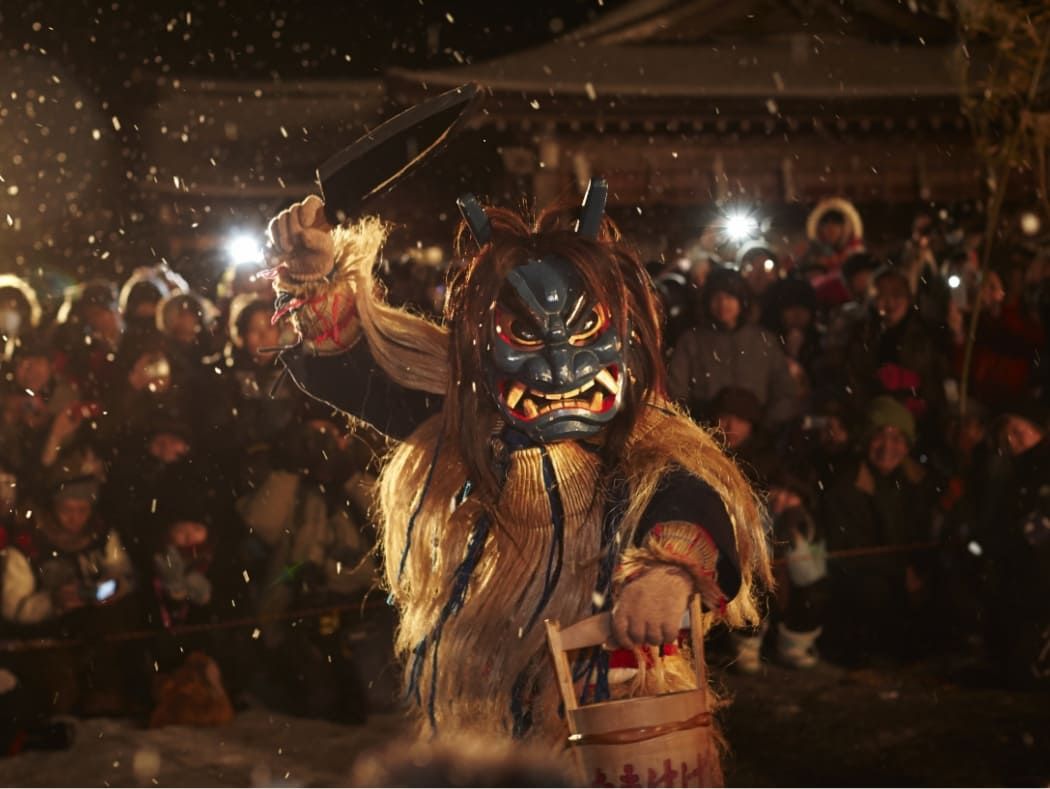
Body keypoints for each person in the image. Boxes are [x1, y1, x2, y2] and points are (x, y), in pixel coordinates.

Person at [264, 181, 771, 758]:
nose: (560, 364)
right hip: (491, 684)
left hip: (619, 695)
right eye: (526, 336)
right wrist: (315, 277)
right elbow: (358, 372)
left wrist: (667, 573)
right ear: (484, 342)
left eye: (583, 333)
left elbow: (686, 490)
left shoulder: (640, 438)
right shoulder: (468, 415)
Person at [821, 397, 935, 663]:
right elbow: (849, 550)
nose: (888, 447)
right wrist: (900, 572)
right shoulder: (847, 483)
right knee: (873, 593)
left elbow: (925, 533)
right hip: (866, 577)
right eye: (880, 437)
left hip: (907, 572)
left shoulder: (918, 481)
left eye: (897, 439)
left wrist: (920, 570)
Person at [668, 266, 800, 428]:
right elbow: (676, 392)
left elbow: (784, 391)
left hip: (759, 439)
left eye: (730, 296)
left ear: (741, 300)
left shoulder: (763, 340)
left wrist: (763, 426)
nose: (723, 303)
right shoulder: (691, 341)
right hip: (705, 436)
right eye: (717, 297)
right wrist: (698, 426)